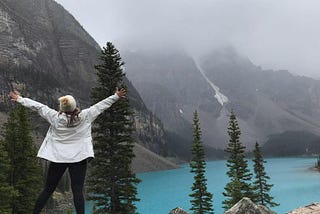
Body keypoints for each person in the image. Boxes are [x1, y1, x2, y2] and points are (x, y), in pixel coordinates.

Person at [9, 88, 126, 214]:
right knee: (77, 191)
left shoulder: (54, 117)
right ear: (75, 106)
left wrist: (20, 99)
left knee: (48, 189)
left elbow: (38, 107)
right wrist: (116, 96)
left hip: (58, 158)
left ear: (62, 108)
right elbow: (100, 106)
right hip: (79, 159)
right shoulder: (85, 116)